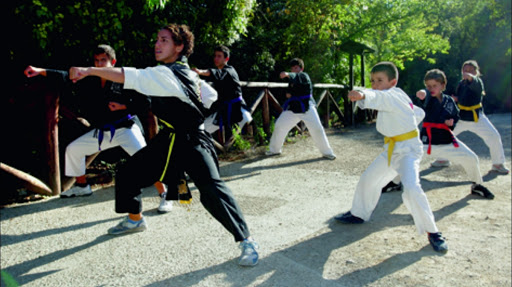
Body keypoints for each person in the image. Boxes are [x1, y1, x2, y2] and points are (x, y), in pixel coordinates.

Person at [68, 24, 259, 266]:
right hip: (169, 138)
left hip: (192, 141)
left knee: (212, 190)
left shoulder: (165, 73)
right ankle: (135, 219)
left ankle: (247, 241)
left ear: (179, 47)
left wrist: (89, 70)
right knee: (128, 173)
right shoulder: (184, 72)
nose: (157, 44)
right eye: (157, 39)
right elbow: (210, 97)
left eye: (165, 40)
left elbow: (129, 75)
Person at [24, 45, 173, 213]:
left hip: (126, 128)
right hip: (104, 131)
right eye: (96, 60)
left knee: (145, 161)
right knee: (74, 150)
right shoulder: (91, 79)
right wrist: (40, 71)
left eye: (103, 60)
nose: (99, 64)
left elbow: (146, 102)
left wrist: (124, 106)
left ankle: (165, 193)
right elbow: (66, 76)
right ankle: (82, 186)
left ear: (113, 62)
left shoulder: (124, 78)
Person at [334, 62, 447, 253]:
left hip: (408, 152)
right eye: (372, 81)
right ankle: (359, 213)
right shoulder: (398, 96)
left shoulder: (392, 95)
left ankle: (433, 232)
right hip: (391, 149)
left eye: (380, 80)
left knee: (411, 188)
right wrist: (362, 92)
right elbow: (417, 112)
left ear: (392, 82)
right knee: (368, 179)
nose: (375, 84)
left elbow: (378, 96)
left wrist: (363, 94)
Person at [415, 69, 494, 199]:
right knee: (405, 156)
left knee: (471, 157)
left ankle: (477, 185)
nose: (431, 89)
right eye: (428, 86)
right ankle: (395, 182)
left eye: (435, 85)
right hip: (427, 141)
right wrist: (422, 93)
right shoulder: (428, 98)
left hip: (446, 141)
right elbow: (424, 96)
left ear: (442, 85)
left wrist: (451, 123)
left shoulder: (449, 101)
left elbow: (456, 116)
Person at [430, 60, 509, 175]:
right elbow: (462, 98)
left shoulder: (478, 82)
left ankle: (498, 164)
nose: (467, 73)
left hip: (476, 117)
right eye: (465, 70)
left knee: (493, 136)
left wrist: (471, 77)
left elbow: (474, 83)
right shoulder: (461, 83)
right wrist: (455, 99)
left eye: (471, 71)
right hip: (460, 117)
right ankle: (442, 159)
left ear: (476, 72)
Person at [266, 58, 336, 160]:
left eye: (296, 68)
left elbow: (297, 77)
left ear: (301, 68)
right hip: (293, 108)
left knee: (317, 129)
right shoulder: (292, 80)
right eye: (292, 68)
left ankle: (327, 152)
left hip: (307, 108)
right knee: (279, 125)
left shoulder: (304, 75)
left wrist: (287, 74)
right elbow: (288, 94)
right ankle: (274, 150)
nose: (294, 70)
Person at [193, 45, 252, 142]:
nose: (216, 58)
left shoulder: (229, 71)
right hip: (228, 110)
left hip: (238, 111)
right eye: (215, 56)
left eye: (219, 56)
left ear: (226, 59)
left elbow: (214, 73)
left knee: (202, 131)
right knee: (202, 130)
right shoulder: (223, 72)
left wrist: (199, 72)